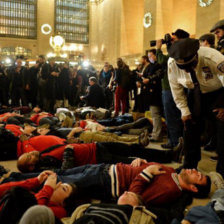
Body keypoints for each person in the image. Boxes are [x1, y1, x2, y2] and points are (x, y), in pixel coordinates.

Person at [0, 163, 211, 208]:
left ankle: (10, 193)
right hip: (106, 169)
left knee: (53, 185)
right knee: (57, 173)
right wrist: (140, 163)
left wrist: (145, 174)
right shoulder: (173, 172)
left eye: (199, 177)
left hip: (106, 181)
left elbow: (133, 197)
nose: (195, 170)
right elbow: (145, 167)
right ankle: (13, 178)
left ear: (193, 188)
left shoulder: (170, 190)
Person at [167, 38, 224, 176]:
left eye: (190, 66)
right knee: (190, 129)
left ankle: (222, 171)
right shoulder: (172, 63)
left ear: (196, 55)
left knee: (223, 131)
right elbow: (176, 90)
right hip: (194, 94)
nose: (187, 70)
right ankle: (189, 166)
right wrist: (184, 111)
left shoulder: (214, 58)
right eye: (183, 68)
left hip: (218, 95)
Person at [17, 140, 178, 172]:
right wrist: (69, 151)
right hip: (98, 158)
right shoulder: (45, 166)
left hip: (95, 146)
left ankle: (169, 154)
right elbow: (66, 170)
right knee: (135, 161)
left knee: (132, 148)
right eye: (28, 158)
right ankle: (169, 169)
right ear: (31, 166)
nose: (30, 154)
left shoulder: (43, 154)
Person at [156, 29, 189, 149]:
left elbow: (162, 61)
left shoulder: (180, 51)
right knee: (170, 116)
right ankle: (173, 141)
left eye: (174, 39)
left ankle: (175, 143)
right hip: (169, 87)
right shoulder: (175, 51)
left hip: (172, 89)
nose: (171, 41)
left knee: (172, 116)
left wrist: (159, 49)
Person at [0, 170, 77, 219]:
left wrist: (47, 188)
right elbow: (3, 189)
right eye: (61, 183)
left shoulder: (60, 211)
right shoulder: (35, 195)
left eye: (64, 188)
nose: (59, 184)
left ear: (64, 203)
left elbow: (33, 213)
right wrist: (36, 181)